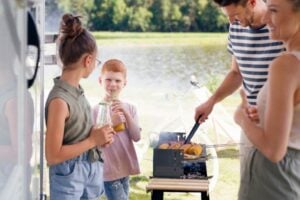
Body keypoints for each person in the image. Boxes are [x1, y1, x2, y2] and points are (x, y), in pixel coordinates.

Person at [194, 0, 285, 171]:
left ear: (252, 2)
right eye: (228, 16)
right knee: (251, 182)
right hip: (250, 124)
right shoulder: (236, 27)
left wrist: (270, 108)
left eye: (235, 15)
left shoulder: (282, 25)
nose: (231, 21)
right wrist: (211, 101)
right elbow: (237, 73)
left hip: (282, 126)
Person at [45, 14, 115, 200]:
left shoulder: (78, 92)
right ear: (88, 61)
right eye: (96, 62)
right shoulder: (59, 101)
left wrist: (98, 136)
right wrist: (92, 141)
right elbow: (52, 155)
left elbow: (75, 133)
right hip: (69, 180)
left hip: (88, 172)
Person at [234, 0, 300, 198]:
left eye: (273, 10)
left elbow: (274, 150)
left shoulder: (286, 65)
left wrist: (241, 118)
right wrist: (263, 116)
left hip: (273, 178)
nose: (264, 18)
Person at [92, 59, 141, 200]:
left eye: (117, 81)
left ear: (124, 83)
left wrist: (126, 113)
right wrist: (111, 123)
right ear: (100, 81)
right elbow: (95, 142)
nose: (113, 84)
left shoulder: (130, 108)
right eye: (108, 80)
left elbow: (136, 136)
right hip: (108, 170)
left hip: (124, 168)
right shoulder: (95, 110)